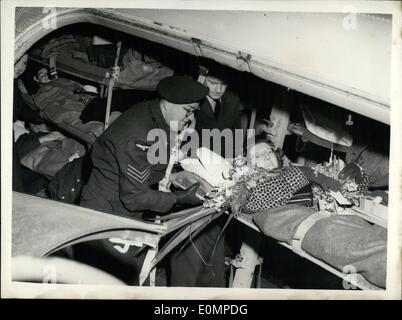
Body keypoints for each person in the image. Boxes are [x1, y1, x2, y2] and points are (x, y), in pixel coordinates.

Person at [77, 75, 209, 285]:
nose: (190, 117)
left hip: (121, 208)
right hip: (107, 214)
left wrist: (174, 171)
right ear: (169, 102)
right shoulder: (140, 134)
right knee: (113, 283)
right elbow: (134, 198)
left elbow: (152, 163)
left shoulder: (154, 113)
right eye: (188, 110)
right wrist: (179, 198)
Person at [194, 59, 244, 158]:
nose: (219, 90)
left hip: (225, 156)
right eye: (213, 83)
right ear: (202, 79)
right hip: (197, 155)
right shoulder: (193, 99)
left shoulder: (233, 99)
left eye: (223, 84)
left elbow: (236, 130)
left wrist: (238, 154)